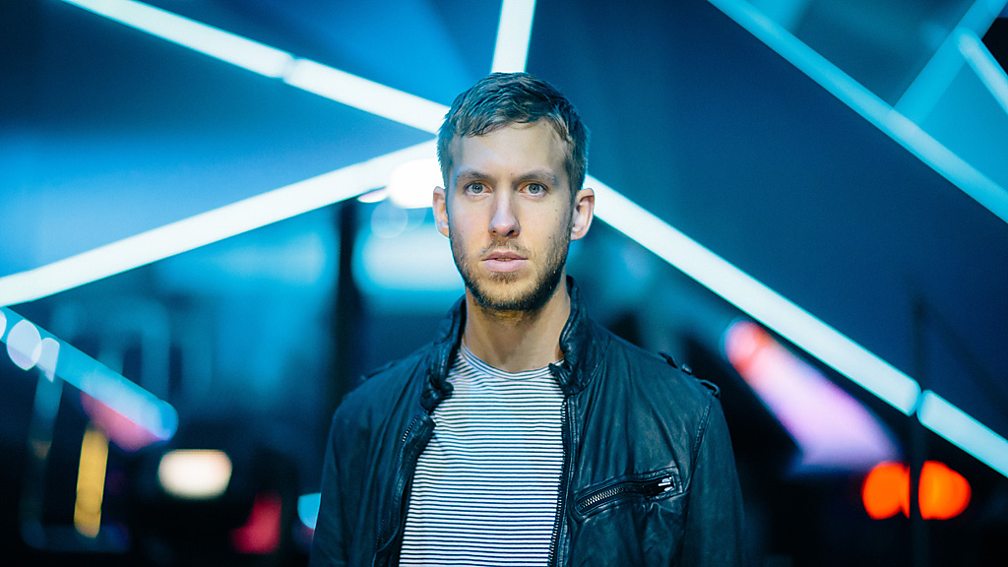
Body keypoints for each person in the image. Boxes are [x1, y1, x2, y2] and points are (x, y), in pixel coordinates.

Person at [311, 72, 745, 566]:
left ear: (579, 214)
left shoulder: (681, 421)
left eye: (533, 188)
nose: (503, 221)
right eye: (477, 187)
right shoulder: (365, 422)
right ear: (443, 211)